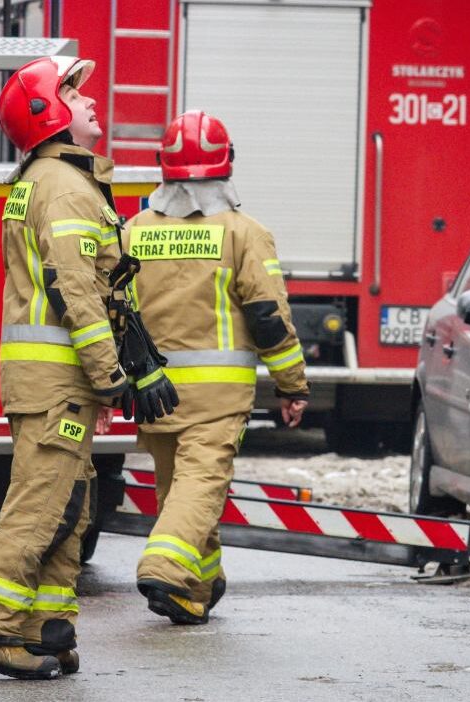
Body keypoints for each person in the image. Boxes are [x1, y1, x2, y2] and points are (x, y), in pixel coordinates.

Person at [0, 55, 176, 680]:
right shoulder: (63, 185)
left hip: (57, 382)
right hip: (58, 383)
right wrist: (111, 373)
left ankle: (45, 628)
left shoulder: (55, 181)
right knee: (41, 505)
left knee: (70, 505)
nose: (90, 101)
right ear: (47, 112)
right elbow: (76, 287)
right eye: (75, 94)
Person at [124, 110, 310, 625]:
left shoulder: (134, 231)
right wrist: (292, 385)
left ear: (162, 165)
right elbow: (268, 315)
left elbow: (116, 310)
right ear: (227, 163)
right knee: (201, 486)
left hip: (153, 392)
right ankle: (164, 566)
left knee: (176, 490)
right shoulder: (244, 233)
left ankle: (196, 586)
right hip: (217, 397)